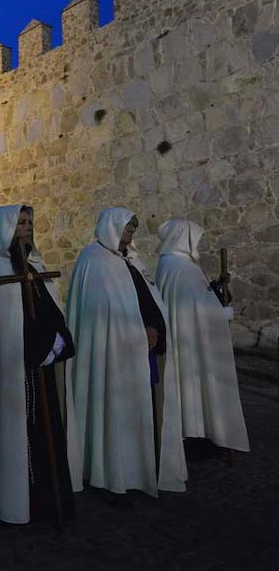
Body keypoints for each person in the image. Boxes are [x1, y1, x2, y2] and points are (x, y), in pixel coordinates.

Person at [0, 205, 77, 525]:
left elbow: (50, 307)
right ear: (5, 227)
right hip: (10, 373)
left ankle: (46, 497)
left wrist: (54, 339)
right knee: (14, 433)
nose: (27, 228)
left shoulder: (36, 264)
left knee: (45, 430)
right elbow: (2, 326)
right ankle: (12, 498)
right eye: (20, 222)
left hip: (41, 365)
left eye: (30, 222)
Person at [66, 207, 187, 501]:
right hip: (113, 360)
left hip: (144, 353)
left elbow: (149, 299)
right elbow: (101, 317)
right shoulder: (93, 260)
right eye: (126, 229)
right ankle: (115, 475)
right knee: (116, 414)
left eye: (132, 230)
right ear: (111, 227)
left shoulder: (131, 260)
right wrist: (136, 334)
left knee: (144, 411)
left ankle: (145, 468)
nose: (130, 235)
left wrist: (157, 330)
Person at [155, 219, 249, 454]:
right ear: (184, 239)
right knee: (195, 385)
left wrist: (215, 287)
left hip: (183, 340)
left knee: (187, 388)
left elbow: (196, 299)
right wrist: (222, 312)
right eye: (194, 238)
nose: (197, 242)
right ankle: (199, 432)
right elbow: (199, 309)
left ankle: (192, 430)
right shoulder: (182, 268)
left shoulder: (169, 264)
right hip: (191, 341)